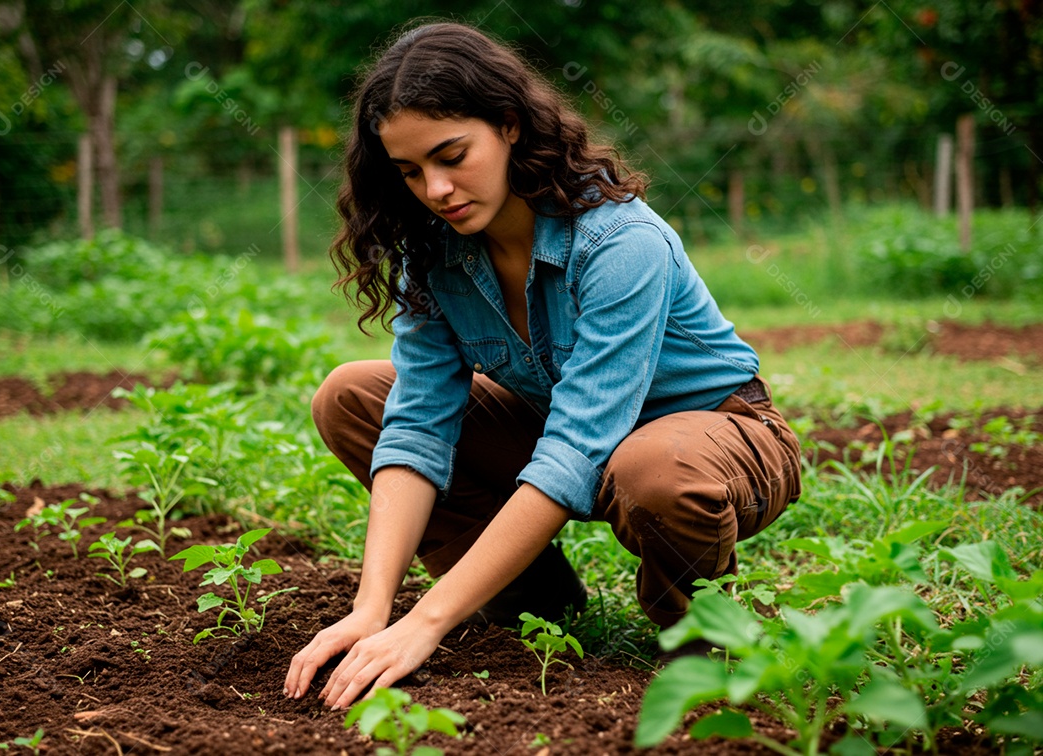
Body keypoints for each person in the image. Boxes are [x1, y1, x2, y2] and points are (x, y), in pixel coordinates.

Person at [283, 20, 801, 710]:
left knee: (653, 469)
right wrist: (373, 609)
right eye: (410, 171)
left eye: (451, 155)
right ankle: (529, 600)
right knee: (352, 397)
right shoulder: (435, 254)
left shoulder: (621, 241)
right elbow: (415, 427)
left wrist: (427, 620)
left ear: (510, 126)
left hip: (711, 437)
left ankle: (700, 633)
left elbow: (579, 447)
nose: (435, 189)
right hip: (562, 432)